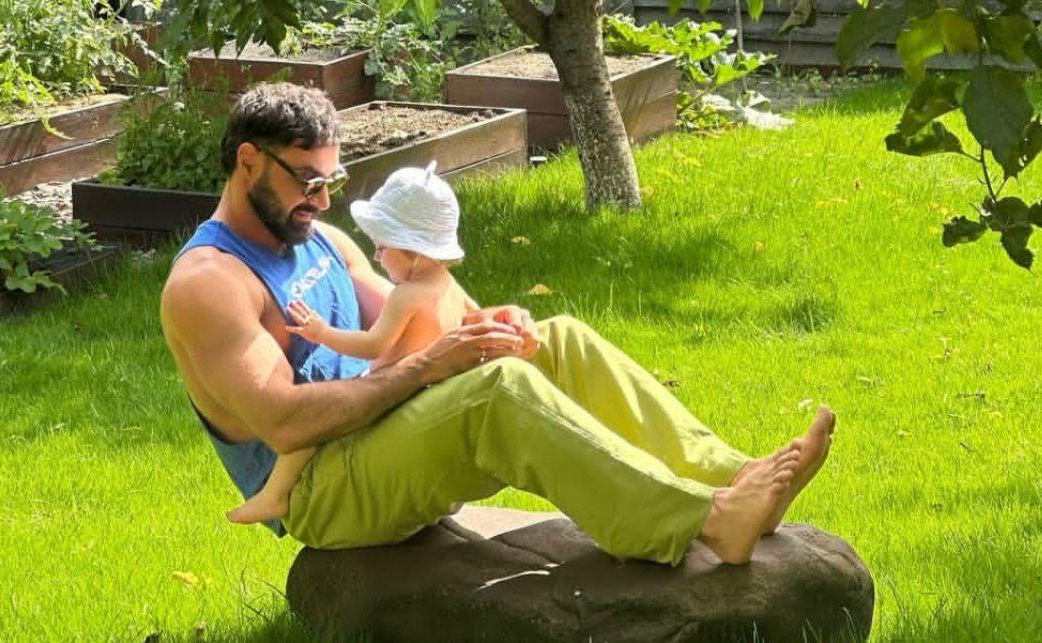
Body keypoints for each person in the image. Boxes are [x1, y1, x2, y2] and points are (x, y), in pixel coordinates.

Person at [160, 82, 836, 566]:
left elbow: (417, 313)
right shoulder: (209, 285)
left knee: (559, 339)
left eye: (330, 181)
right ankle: (707, 523)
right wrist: (432, 366)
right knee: (497, 394)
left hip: (377, 430)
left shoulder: (323, 241)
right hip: (318, 489)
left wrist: (486, 326)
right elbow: (284, 423)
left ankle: (732, 478)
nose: (324, 200)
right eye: (309, 182)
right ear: (248, 161)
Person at [226, 162, 482, 525]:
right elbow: (478, 317)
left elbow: (372, 346)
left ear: (414, 251)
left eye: (382, 248)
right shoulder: (448, 285)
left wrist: (321, 333)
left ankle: (274, 495)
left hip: (393, 392)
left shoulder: (406, 296)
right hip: (433, 390)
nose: (376, 257)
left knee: (315, 422)